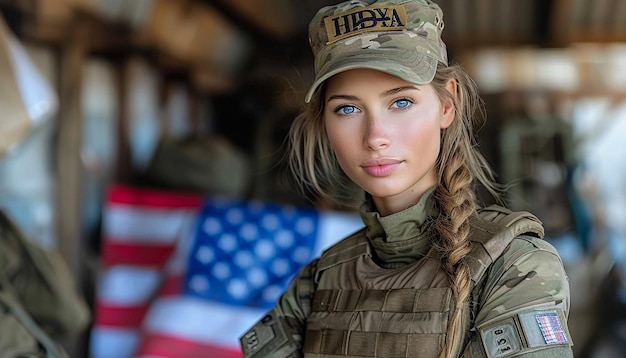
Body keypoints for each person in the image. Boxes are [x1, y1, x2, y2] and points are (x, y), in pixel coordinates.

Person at [240, 0, 573, 357]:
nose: (375, 136)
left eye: (400, 102)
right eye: (347, 109)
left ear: (447, 105)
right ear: (325, 121)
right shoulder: (321, 278)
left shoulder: (514, 265)